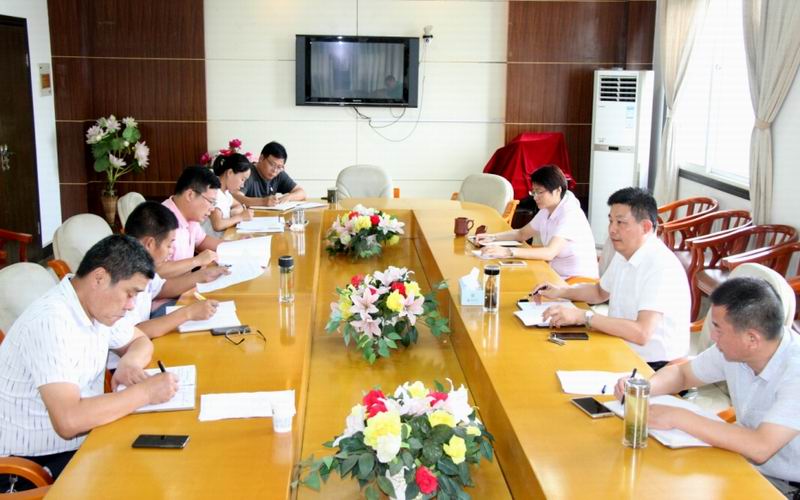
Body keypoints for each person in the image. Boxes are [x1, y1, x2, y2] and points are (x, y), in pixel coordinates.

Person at [0, 235, 178, 484]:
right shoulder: (51, 322)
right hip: (32, 466)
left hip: (86, 438)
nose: (131, 305)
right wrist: (146, 393)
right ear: (99, 278)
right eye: (130, 293)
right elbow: (69, 420)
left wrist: (129, 363)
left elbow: (140, 341)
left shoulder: (94, 306)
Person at [614, 277, 800, 495]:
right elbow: (682, 374)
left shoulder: (795, 371)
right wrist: (643, 387)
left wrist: (677, 417)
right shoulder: (736, 350)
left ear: (752, 338)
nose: (712, 336)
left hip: (784, 486)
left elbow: (760, 447)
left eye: (719, 329)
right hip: (741, 461)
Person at [534, 187, 690, 369]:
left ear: (646, 227)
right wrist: (561, 291)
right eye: (611, 221)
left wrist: (583, 316)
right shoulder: (626, 252)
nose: (612, 230)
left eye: (621, 222)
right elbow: (599, 292)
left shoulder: (660, 266)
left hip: (652, 365)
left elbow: (641, 333)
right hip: (620, 345)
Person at [122, 201, 222, 344]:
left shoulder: (141, 264)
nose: (170, 252)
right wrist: (188, 313)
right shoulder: (123, 276)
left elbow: (161, 288)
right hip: (134, 345)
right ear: (149, 244)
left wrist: (202, 276)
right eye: (169, 245)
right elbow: (132, 333)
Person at [475, 165, 598, 279]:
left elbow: (549, 253)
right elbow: (521, 234)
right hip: (554, 275)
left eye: (539, 192)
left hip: (575, 282)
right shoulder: (547, 209)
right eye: (533, 192)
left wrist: (507, 251)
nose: (535, 197)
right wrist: (492, 237)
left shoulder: (570, 214)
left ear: (557, 190)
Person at [159, 166, 224, 279]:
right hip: (172, 289)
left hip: (186, 283)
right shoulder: (161, 221)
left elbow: (202, 241)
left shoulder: (190, 215)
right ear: (190, 195)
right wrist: (196, 261)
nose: (212, 208)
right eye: (211, 202)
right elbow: (156, 271)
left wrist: (238, 245)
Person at [233, 141, 306, 207]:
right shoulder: (247, 173)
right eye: (272, 164)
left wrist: (288, 197)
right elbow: (236, 197)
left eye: (279, 167)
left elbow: (301, 192)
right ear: (261, 158)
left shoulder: (279, 174)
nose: (275, 170)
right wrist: (263, 201)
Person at [203, 153, 255, 238]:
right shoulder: (215, 192)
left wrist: (235, 211)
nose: (242, 185)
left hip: (223, 238)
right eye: (242, 179)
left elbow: (238, 204)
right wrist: (240, 217)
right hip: (211, 242)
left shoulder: (225, 193)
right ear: (230, 172)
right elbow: (218, 225)